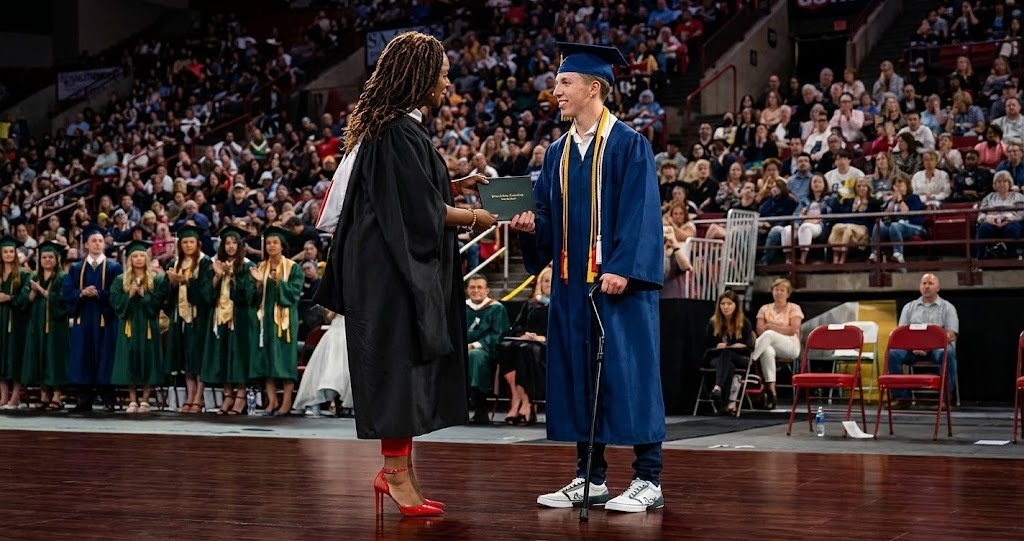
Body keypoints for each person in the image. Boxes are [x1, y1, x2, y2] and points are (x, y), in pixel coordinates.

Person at [313, 31, 498, 517]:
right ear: (418, 78)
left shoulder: (398, 129)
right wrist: (479, 217)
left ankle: (400, 471)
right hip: (387, 271)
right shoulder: (397, 131)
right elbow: (420, 208)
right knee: (397, 367)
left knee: (407, 365)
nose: (447, 82)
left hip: (387, 265)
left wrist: (457, 182)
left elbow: (413, 188)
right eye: (441, 74)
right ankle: (394, 474)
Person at [510, 42, 666, 513]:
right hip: (571, 286)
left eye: (564, 83)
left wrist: (622, 267)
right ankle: (589, 476)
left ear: (593, 88)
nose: (554, 91)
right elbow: (546, 218)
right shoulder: (555, 153)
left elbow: (641, 214)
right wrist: (527, 225)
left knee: (630, 372)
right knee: (580, 375)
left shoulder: (628, 145)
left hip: (619, 286)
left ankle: (648, 479)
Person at [63, 227, 123, 412]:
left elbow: (118, 293)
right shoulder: (76, 268)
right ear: (86, 245)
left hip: (106, 319)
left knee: (106, 356)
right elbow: (67, 292)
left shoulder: (114, 267)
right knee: (83, 355)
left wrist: (100, 294)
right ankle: (84, 399)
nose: (97, 243)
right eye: (93, 241)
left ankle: (108, 398)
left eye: (100, 241)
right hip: (84, 318)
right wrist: (81, 293)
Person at [110, 240, 168, 413]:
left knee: (148, 360)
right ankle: (133, 400)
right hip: (129, 325)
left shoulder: (156, 279)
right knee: (130, 360)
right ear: (129, 260)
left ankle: (145, 400)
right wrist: (129, 295)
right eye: (135, 256)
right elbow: (115, 302)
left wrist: (144, 295)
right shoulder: (120, 280)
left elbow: (159, 302)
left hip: (148, 326)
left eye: (142, 256)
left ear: (147, 258)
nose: (138, 259)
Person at [251, 226, 303, 417]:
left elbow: (294, 294)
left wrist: (277, 282)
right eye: (269, 243)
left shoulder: (293, 267)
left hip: (285, 322)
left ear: (282, 246)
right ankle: (271, 401)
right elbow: (254, 299)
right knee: (267, 359)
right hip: (265, 322)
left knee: (285, 360)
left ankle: (286, 401)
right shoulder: (261, 267)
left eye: (275, 243)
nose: (271, 246)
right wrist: (257, 284)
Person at [207, 225, 259, 415]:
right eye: (227, 243)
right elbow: (208, 295)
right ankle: (227, 395)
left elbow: (247, 296)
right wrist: (217, 277)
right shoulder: (215, 264)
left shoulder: (246, 266)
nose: (230, 247)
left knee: (239, 356)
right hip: (220, 317)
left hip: (241, 318)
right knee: (224, 354)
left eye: (234, 243)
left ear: (240, 245)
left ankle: (241, 396)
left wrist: (231, 276)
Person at [886, 273, 959, 405]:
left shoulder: (948, 307)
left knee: (947, 353)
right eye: (924, 283)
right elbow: (901, 333)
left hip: (937, 348)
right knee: (893, 354)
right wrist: (914, 346)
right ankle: (902, 398)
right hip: (912, 349)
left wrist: (928, 346)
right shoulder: (909, 307)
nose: (926, 287)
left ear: (938, 287)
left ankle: (946, 397)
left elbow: (951, 334)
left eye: (930, 283)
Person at [165, 224, 214, 413]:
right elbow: (169, 295)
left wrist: (187, 282)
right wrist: (171, 284)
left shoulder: (205, 263)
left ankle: (199, 397)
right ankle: (189, 394)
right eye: (184, 242)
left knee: (198, 357)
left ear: (198, 243)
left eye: (191, 242)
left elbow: (206, 293)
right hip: (180, 317)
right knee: (185, 357)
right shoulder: (175, 263)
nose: (187, 245)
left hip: (198, 317)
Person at [495, 267, 551, 425]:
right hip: (527, 342)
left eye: (552, 281)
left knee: (524, 350)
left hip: (547, 347)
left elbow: (564, 330)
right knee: (506, 347)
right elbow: (518, 326)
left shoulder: (561, 305)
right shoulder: (531, 303)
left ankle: (525, 403)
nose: (548, 284)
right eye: (546, 281)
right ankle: (518, 398)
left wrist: (543, 337)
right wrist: (524, 334)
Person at [22, 241, 70, 410]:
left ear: (56, 259)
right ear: (39, 259)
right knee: (40, 355)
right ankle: (43, 394)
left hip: (56, 326)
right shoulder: (34, 277)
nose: (47, 260)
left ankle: (57, 395)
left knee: (54, 358)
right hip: (36, 324)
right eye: (44, 257)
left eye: (50, 257)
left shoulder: (63, 277)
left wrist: (42, 291)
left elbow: (64, 301)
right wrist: (34, 292)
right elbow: (23, 301)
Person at [750, 278, 804, 409]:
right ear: (772, 291)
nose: (779, 293)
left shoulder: (794, 308)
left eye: (782, 290)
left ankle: (749, 362)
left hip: (790, 345)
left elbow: (792, 330)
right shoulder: (764, 308)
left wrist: (771, 326)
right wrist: (776, 329)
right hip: (769, 344)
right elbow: (759, 330)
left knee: (769, 334)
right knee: (767, 350)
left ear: (788, 293)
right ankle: (771, 391)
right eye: (776, 290)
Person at [465, 274, 510, 424]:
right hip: (462, 351)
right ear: (466, 290)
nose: (476, 290)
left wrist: (474, 345)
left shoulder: (496, 309)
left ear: (487, 290)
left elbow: (498, 334)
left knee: (475, 356)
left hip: (488, 351)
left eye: (479, 287)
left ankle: (480, 408)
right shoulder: (461, 308)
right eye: (472, 287)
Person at [702, 289, 754, 414]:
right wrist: (717, 347)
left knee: (727, 352)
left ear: (736, 305)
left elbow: (749, 347)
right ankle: (724, 405)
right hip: (718, 357)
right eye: (723, 304)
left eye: (729, 304)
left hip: (740, 357)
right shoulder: (713, 323)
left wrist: (733, 346)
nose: (726, 307)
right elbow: (706, 346)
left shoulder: (744, 323)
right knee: (727, 363)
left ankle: (717, 388)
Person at [294, 309, 354, 417]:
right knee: (332, 369)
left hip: (346, 332)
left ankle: (343, 405)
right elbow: (329, 318)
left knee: (339, 370)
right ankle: (339, 405)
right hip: (338, 332)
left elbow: (329, 317)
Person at [0, 236, 30, 408]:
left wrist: (9, 298)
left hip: (16, 322)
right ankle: (3, 395)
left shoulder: (24, 274)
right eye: (5, 251)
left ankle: (16, 396)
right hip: (0, 321)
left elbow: (25, 299)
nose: (9, 254)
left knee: (14, 357)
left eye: (11, 251)